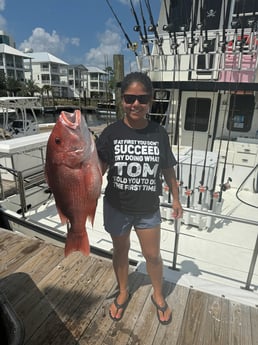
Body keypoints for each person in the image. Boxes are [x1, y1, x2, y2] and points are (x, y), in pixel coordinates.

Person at [96, 71, 183, 325]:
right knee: (120, 251)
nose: (135, 104)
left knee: (153, 255)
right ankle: (123, 291)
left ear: (151, 101)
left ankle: (158, 294)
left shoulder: (159, 133)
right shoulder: (110, 133)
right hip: (116, 205)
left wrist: (176, 199)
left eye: (142, 99)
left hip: (147, 209)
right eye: (129, 98)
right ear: (122, 100)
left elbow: (168, 169)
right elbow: (96, 170)